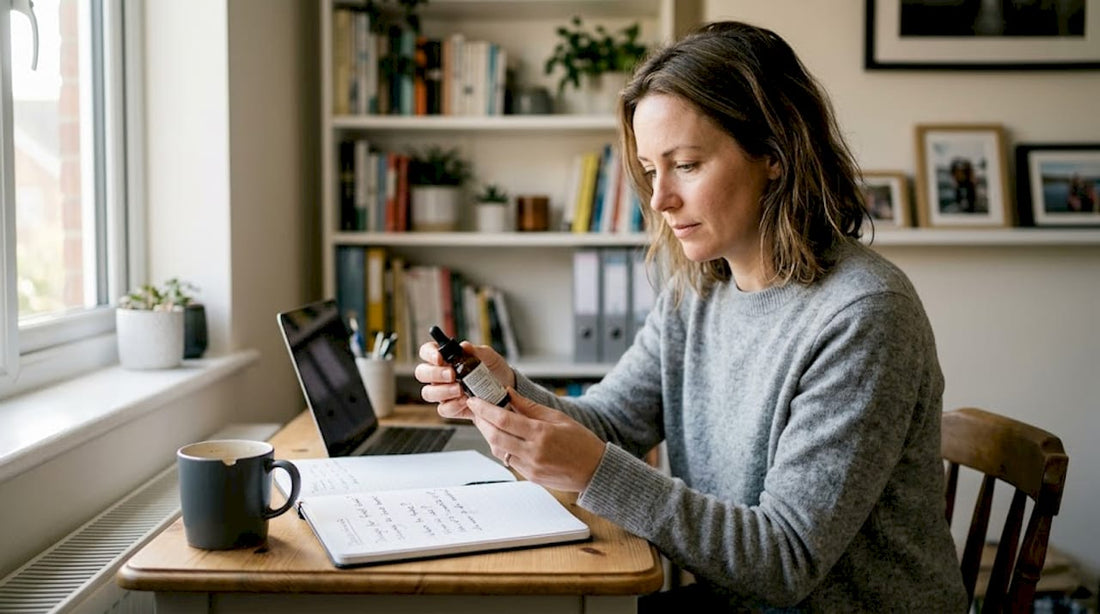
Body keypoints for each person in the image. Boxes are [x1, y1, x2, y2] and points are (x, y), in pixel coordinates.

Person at [416, 21, 966, 613]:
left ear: (774, 156)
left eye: (686, 165)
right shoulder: (701, 291)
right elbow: (612, 423)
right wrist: (503, 390)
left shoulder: (862, 315)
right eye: (652, 171)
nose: (659, 200)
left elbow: (785, 561)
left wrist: (597, 470)